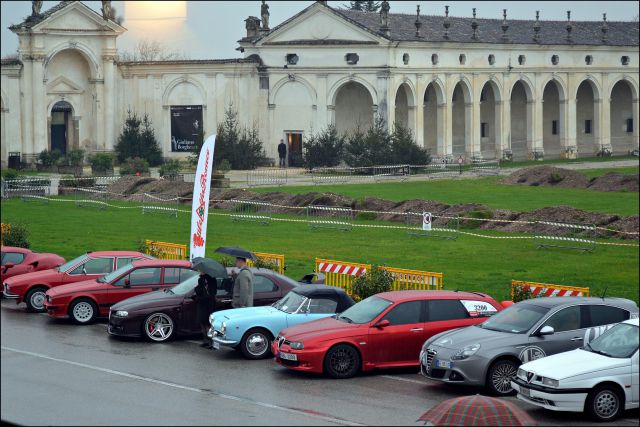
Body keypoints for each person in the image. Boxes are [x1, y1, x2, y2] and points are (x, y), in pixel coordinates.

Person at [194, 272, 217, 348]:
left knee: (203, 323)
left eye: (201, 270)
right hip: (211, 304)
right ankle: (211, 341)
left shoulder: (201, 280)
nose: (200, 271)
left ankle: (206, 341)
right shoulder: (213, 279)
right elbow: (214, 292)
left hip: (202, 304)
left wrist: (196, 288)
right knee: (209, 323)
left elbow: (199, 291)